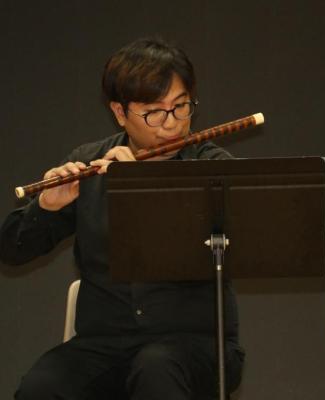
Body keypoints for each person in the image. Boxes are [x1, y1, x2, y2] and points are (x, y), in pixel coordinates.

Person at [0, 37, 244, 400]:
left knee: (156, 370)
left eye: (180, 107)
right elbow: (12, 249)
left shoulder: (213, 168)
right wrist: (46, 207)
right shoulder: (90, 161)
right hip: (104, 344)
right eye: (154, 112)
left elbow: (246, 244)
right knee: (41, 389)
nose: (171, 124)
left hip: (194, 344)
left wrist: (141, 189)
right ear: (119, 112)